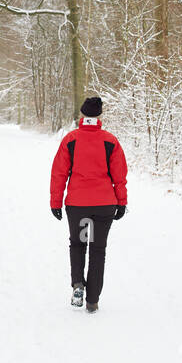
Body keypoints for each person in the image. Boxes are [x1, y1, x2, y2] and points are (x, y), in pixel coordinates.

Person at [49, 96, 128, 313]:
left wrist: (55, 202)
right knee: (98, 249)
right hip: (104, 206)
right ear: (100, 116)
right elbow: (119, 176)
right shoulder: (110, 141)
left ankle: (77, 284)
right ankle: (92, 300)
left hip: (78, 206)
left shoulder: (71, 140)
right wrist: (122, 202)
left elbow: (59, 173)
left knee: (79, 244)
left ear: (82, 116)